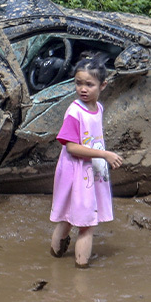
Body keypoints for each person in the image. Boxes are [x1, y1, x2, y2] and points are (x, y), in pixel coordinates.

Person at [48, 56, 123, 269]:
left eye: (89, 84)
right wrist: (105, 155)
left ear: (103, 85)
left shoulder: (98, 108)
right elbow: (71, 147)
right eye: (78, 83)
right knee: (86, 225)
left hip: (89, 171)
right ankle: (81, 274)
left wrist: (101, 156)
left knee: (69, 218)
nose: (83, 89)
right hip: (77, 172)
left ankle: (54, 259)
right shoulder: (74, 112)